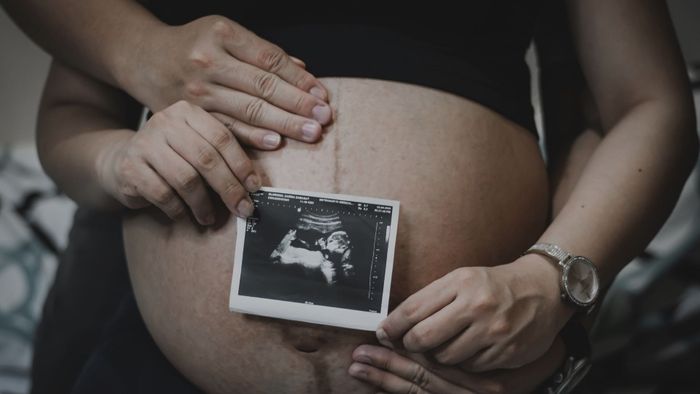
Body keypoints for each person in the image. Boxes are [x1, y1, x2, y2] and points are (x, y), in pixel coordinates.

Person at [4, 1, 698, 393]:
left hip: (459, 378)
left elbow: (647, 104)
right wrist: (118, 158)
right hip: (162, 368)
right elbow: (71, 113)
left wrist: (553, 288)